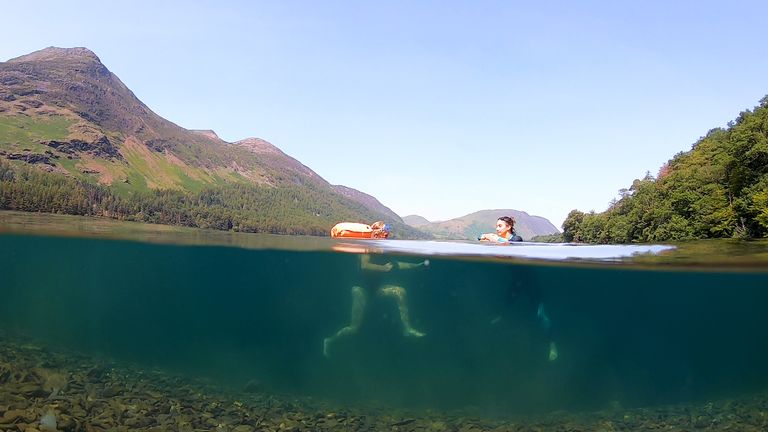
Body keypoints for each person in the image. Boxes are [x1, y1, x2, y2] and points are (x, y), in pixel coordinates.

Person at [323, 229, 430, 357]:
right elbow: (364, 265)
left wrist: (417, 265)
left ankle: (407, 329)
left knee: (400, 291)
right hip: (360, 289)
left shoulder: (384, 250)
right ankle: (329, 340)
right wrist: (383, 268)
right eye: (382, 234)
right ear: (375, 234)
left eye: (386, 235)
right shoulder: (367, 248)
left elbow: (397, 265)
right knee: (354, 328)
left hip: (376, 289)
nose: (385, 237)